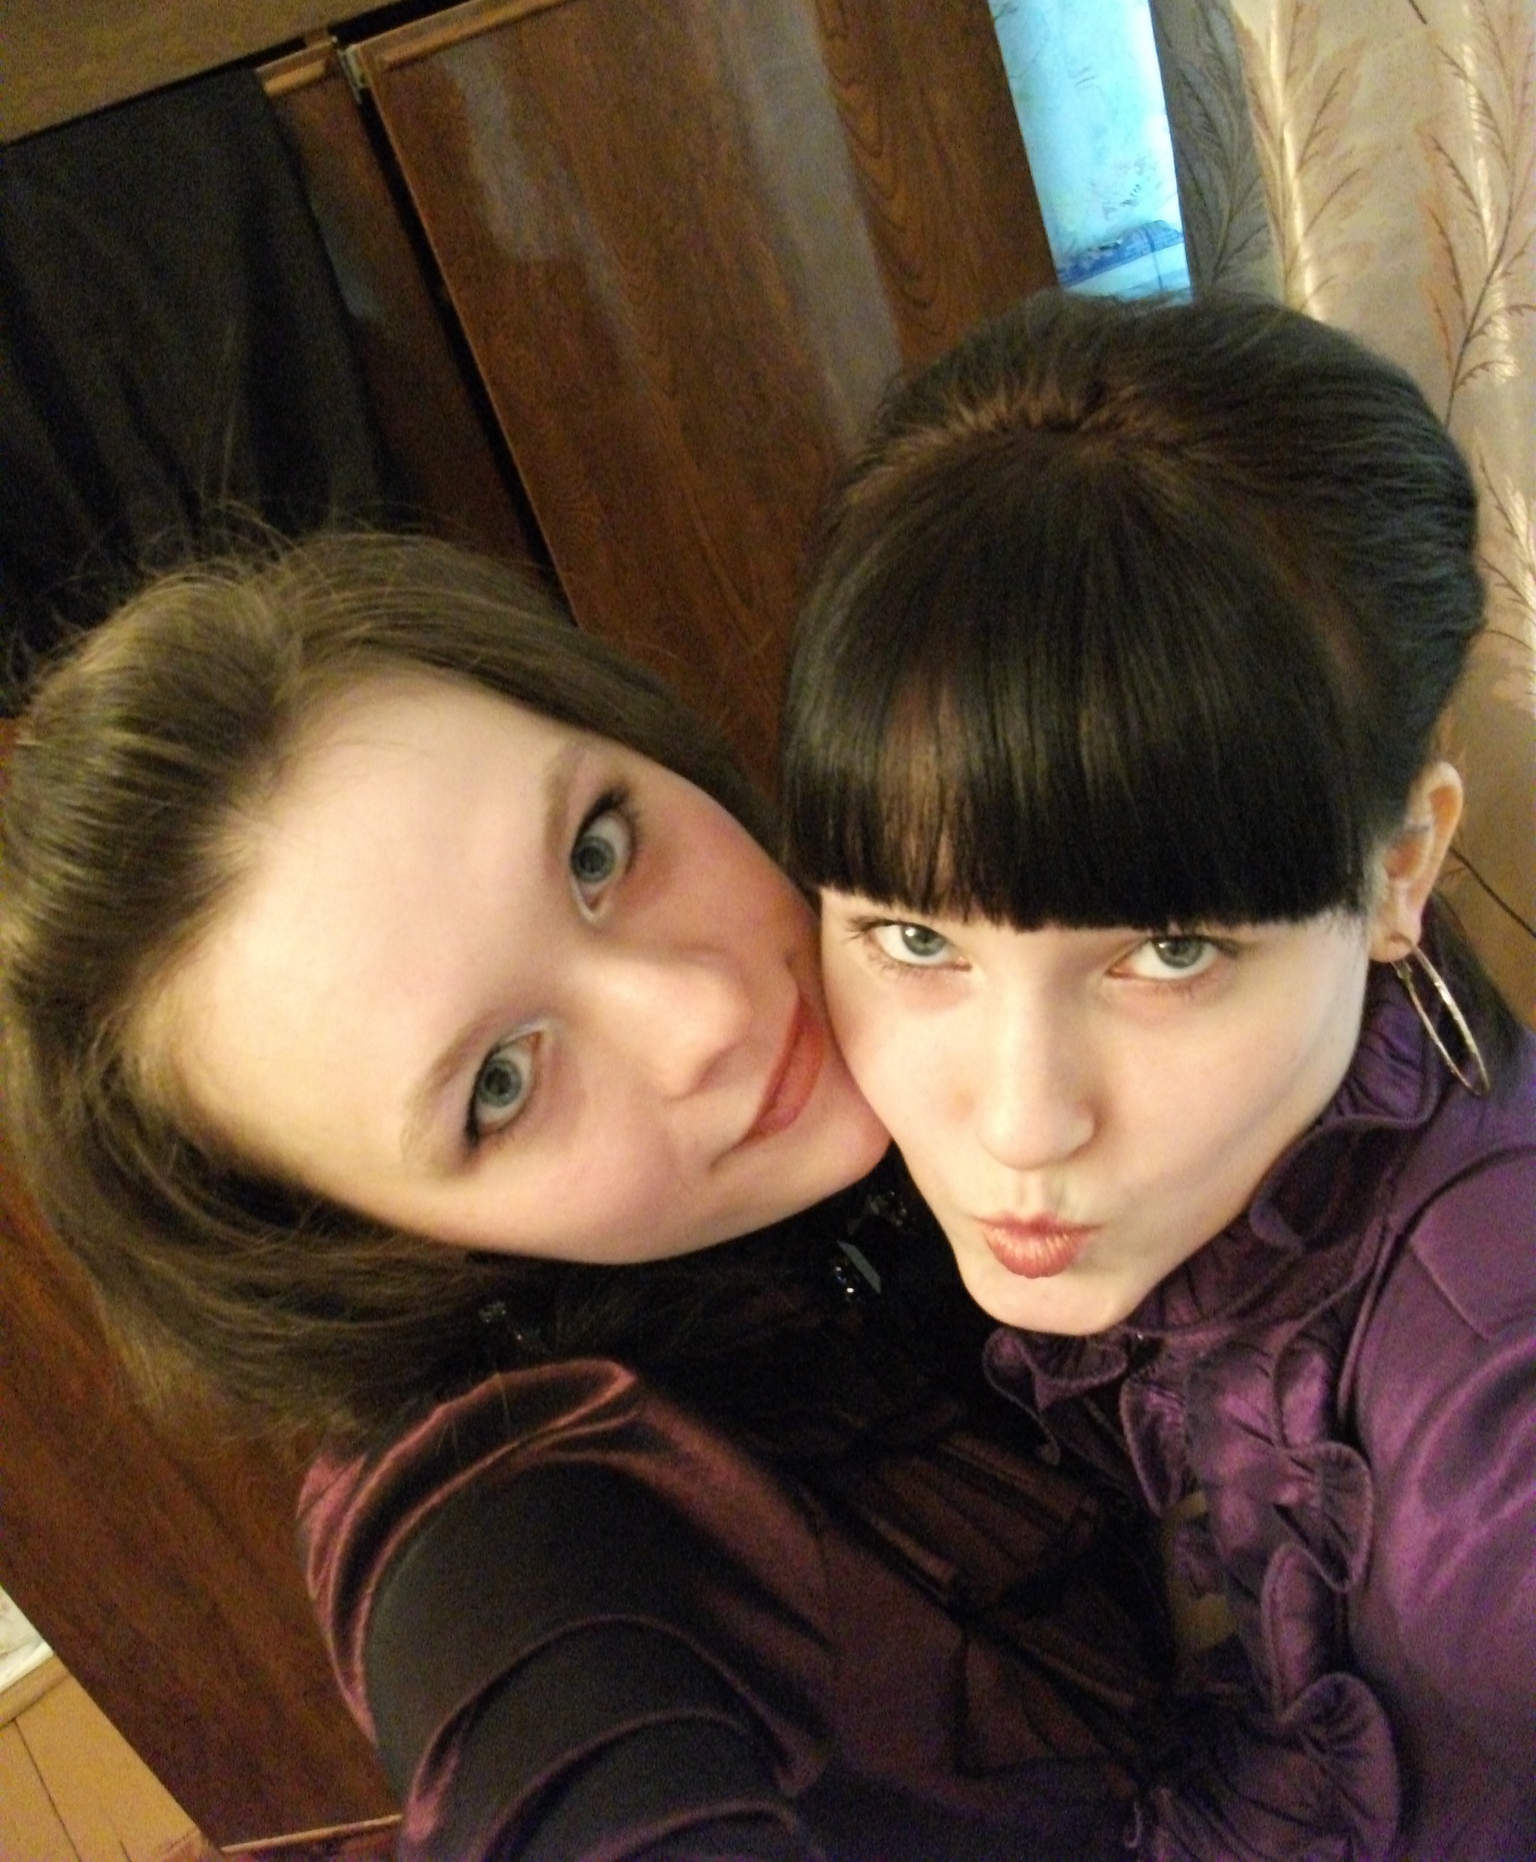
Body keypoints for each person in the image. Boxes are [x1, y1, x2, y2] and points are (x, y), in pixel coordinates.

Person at [0, 532, 1176, 1862]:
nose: (703, 1017)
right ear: (372, 1246)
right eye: (499, 1085)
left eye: (597, 852)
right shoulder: (518, 1508)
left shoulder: (953, 870)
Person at [780, 289, 1536, 1862]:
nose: (1019, 1123)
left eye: (1172, 951)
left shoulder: (1479, 1418)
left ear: (1403, 867)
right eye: (915, 938)